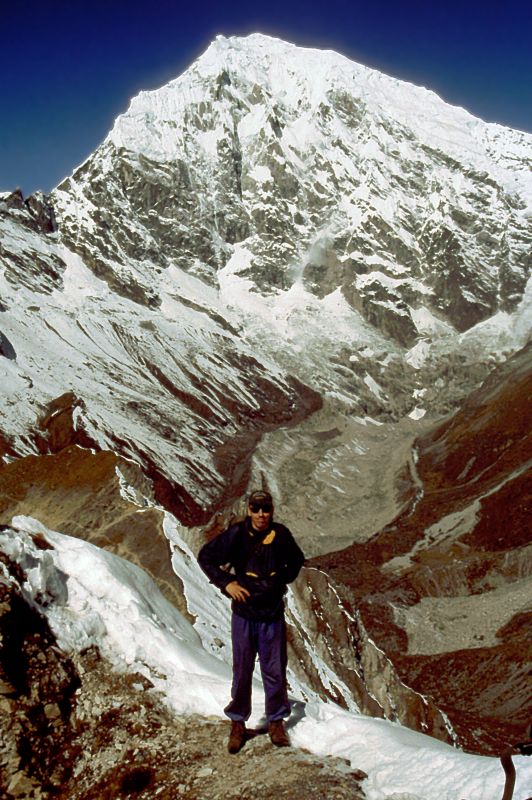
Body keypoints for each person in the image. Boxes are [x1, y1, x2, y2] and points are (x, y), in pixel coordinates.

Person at [198, 490, 305, 754]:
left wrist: (280, 580)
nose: (260, 515)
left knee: (274, 670)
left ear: (271, 511)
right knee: (243, 669)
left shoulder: (281, 535)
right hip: (244, 615)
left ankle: (276, 722)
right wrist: (227, 583)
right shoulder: (236, 535)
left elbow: (296, 560)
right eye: (256, 509)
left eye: (265, 509)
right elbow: (206, 557)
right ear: (248, 510)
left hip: (271, 616)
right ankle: (238, 723)